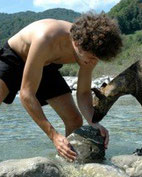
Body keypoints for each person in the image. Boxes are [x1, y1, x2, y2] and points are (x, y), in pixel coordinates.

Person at [0, 12, 123, 161]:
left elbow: (83, 92)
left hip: (46, 64)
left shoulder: (91, 50)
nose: (93, 62)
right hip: (13, 58)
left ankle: (68, 162)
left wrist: (93, 122)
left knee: (75, 120)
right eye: (91, 58)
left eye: (97, 59)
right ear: (77, 44)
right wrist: (54, 135)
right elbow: (27, 95)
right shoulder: (46, 38)